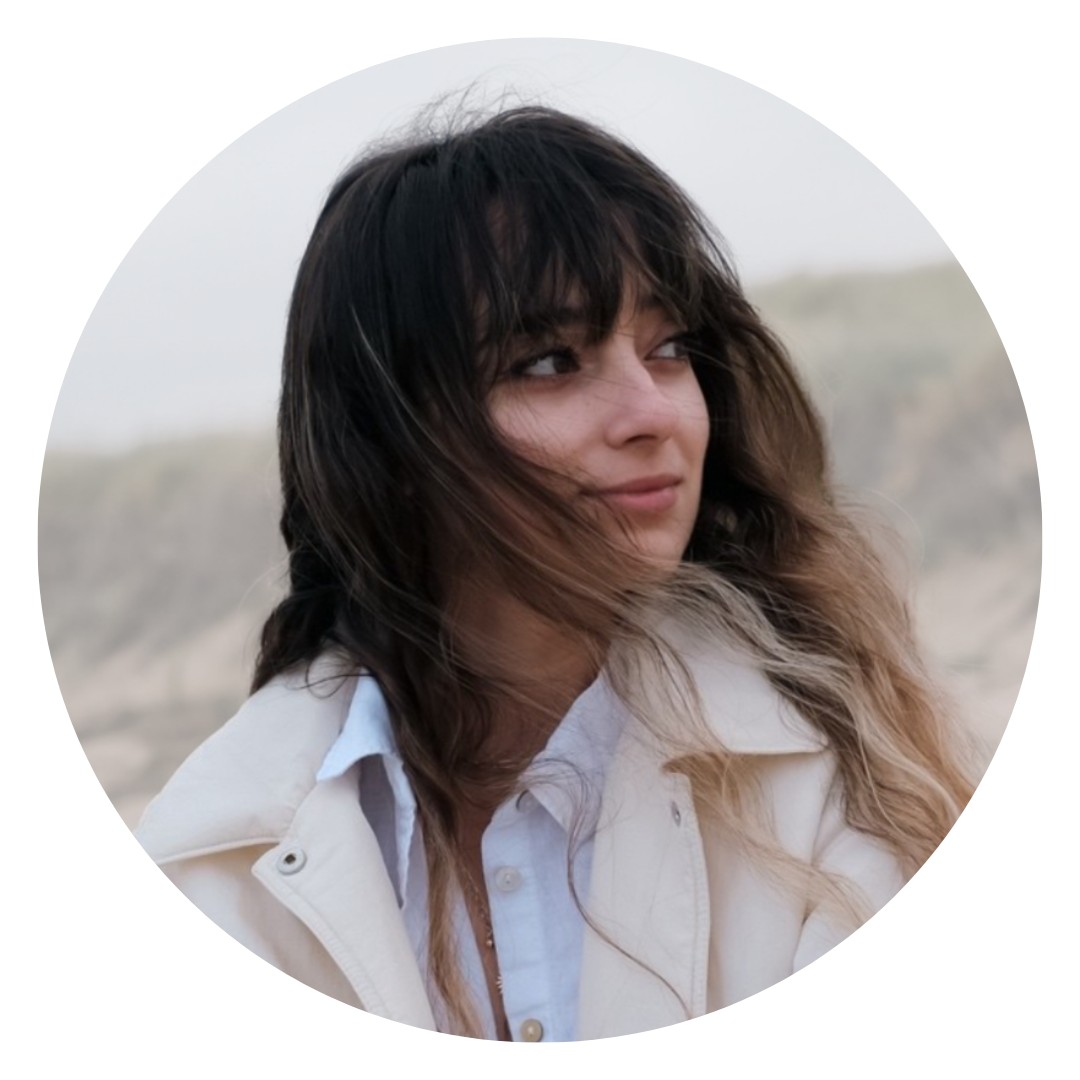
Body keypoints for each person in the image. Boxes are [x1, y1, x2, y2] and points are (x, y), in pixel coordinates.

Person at [135, 102, 989, 1054]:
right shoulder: (213, 851)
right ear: (389, 437)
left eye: (669, 349)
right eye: (550, 361)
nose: (651, 411)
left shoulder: (845, 768)